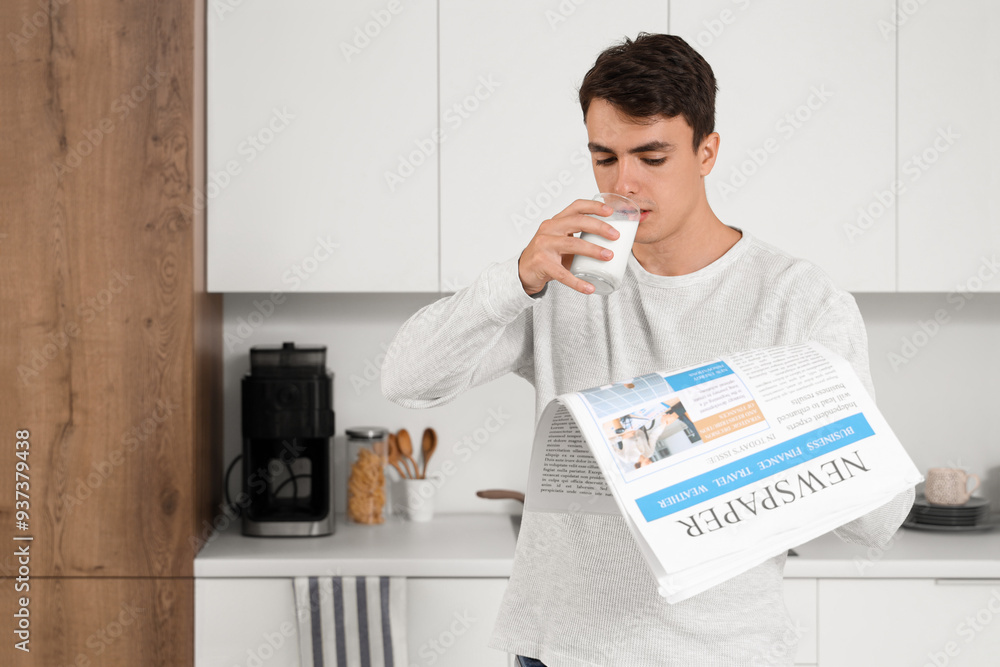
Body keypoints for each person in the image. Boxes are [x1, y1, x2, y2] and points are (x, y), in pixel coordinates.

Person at [382, 33, 914, 667]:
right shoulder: (563, 279)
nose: (624, 184)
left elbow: (877, 521)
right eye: (604, 158)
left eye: (652, 157)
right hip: (560, 649)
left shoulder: (797, 299)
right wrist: (516, 278)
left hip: (721, 653)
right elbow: (405, 379)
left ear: (707, 152)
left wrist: (780, 438)